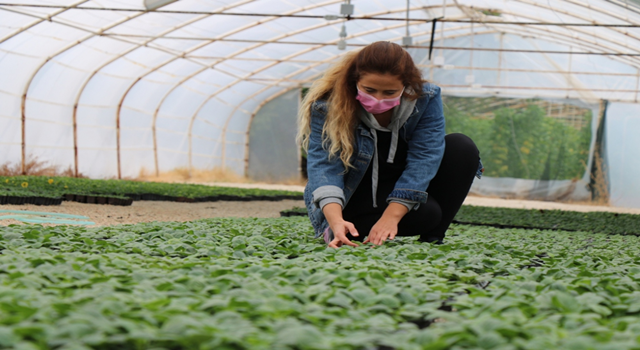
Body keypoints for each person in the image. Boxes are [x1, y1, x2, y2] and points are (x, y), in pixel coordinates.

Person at [297, 41, 483, 248]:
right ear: (354, 81)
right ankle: (341, 230)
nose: (378, 100)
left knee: (461, 148)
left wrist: (391, 217)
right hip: (353, 193)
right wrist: (335, 220)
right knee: (423, 214)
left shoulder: (426, 98)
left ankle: (433, 237)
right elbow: (324, 165)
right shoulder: (327, 104)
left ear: (406, 86)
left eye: (389, 93)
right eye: (369, 90)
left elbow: (425, 157)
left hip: (396, 188)